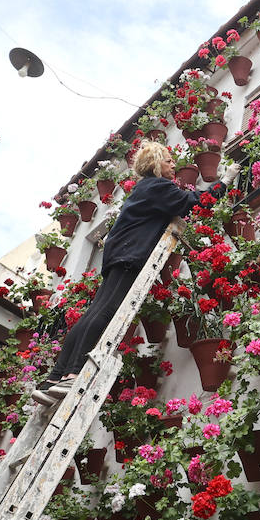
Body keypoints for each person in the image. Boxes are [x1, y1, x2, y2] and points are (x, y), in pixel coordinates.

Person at [30, 142, 239, 405]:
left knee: (94, 312)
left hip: (119, 252)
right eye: (168, 160)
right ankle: (73, 374)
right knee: (107, 312)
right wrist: (225, 181)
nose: (174, 165)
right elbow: (195, 202)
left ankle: (55, 378)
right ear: (154, 164)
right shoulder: (158, 187)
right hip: (132, 253)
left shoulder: (144, 189)